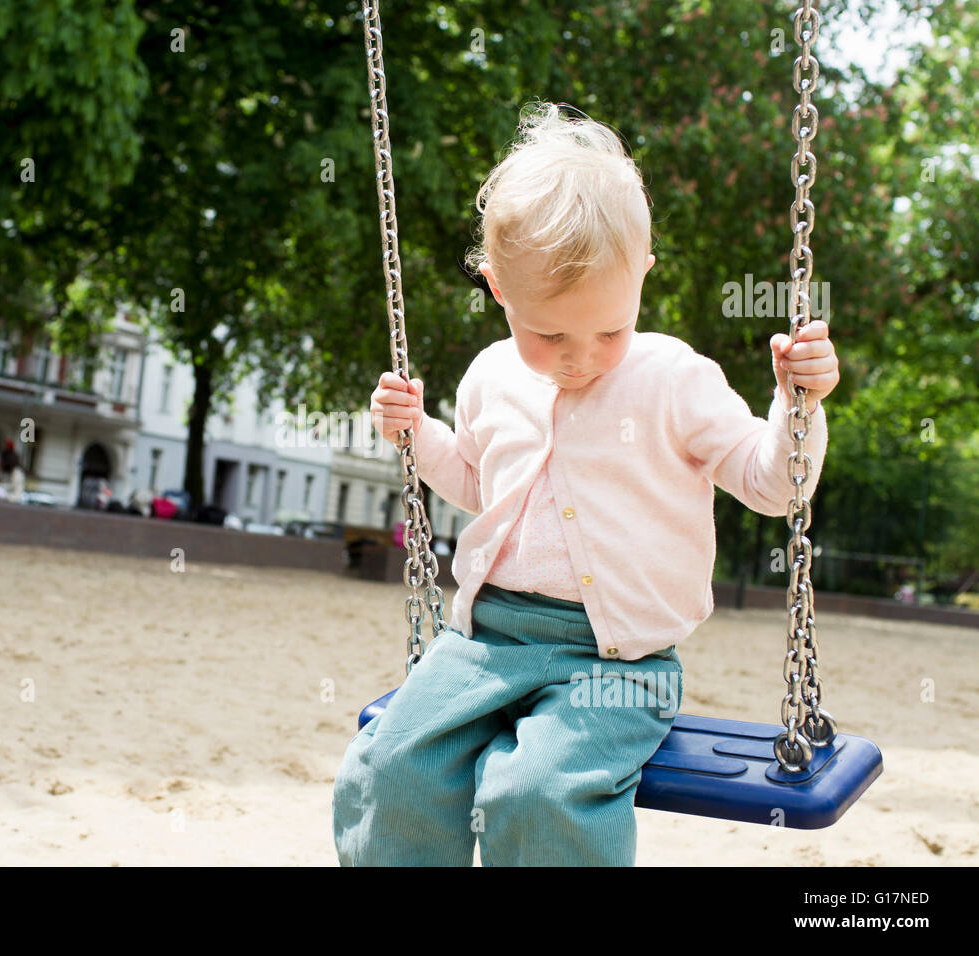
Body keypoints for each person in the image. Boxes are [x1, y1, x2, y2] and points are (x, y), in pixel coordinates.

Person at [333, 102, 841, 867]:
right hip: (483, 641)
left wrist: (797, 405)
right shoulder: (489, 376)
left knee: (534, 794)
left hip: (617, 666)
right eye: (550, 335)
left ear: (641, 275)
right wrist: (420, 436)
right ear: (499, 288)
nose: (580, 358)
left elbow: (775, 485)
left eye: (608, 330)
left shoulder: (674, 380)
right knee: (385, 768)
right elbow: (478, 485)